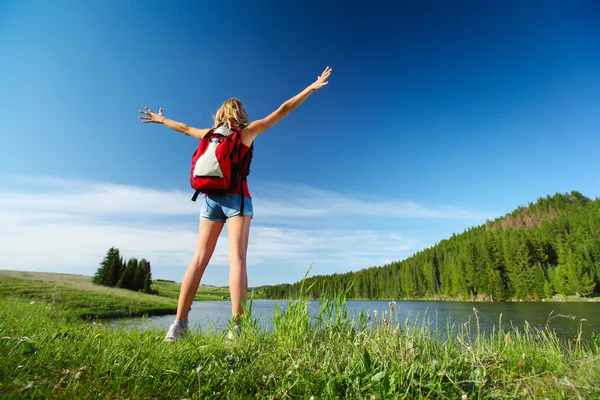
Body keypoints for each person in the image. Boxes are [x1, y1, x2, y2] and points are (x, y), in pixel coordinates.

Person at [139, 66, 332, 342]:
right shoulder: (246, 133)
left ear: (220, 115)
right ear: (241, 115)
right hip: (237, 199)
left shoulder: (208, 135)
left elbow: (183, 128)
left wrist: (161, 119)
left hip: (208, 201)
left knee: (198, 259)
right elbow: (283, 110)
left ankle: (178, 326)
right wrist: (310, 89)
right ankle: (236, 330)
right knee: (237, 260)